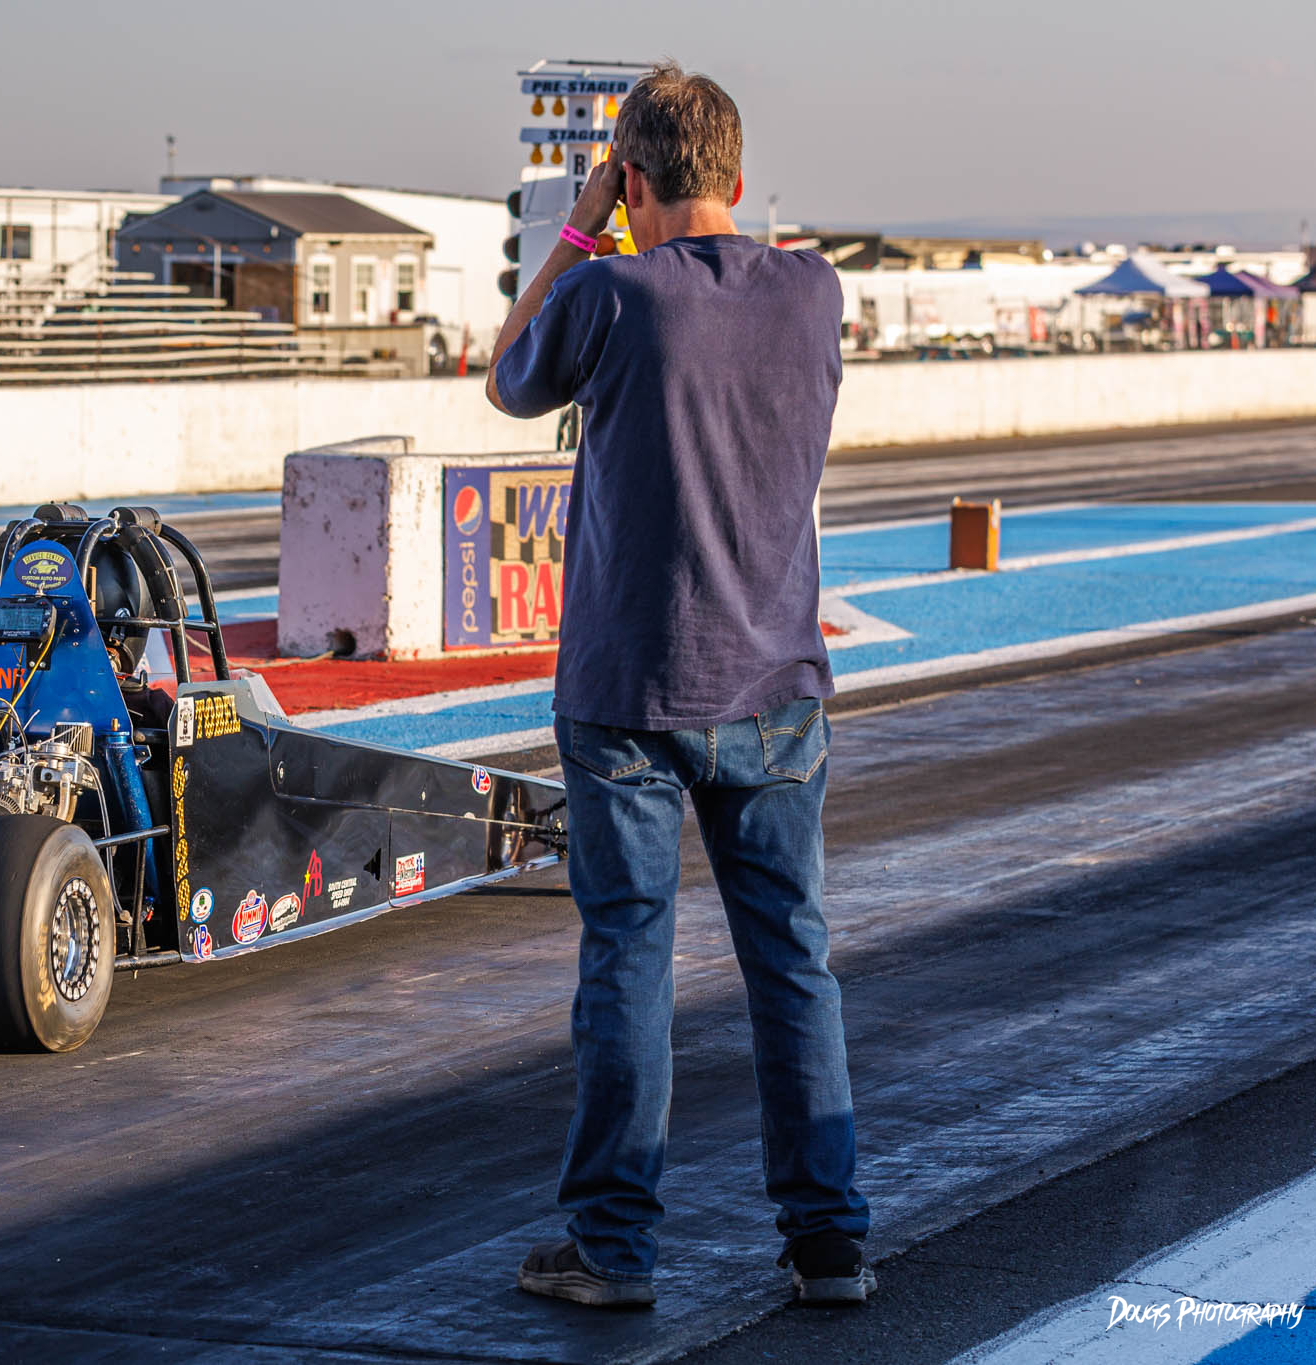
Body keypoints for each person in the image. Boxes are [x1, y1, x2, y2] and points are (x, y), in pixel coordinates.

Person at [487, 61, 872, 1310]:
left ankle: (611, 1249)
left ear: (632, 179)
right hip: (775, 683)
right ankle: (827, 1242)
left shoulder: (608, 292)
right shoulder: (812, 294)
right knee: (791, 963)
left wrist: (581, 224)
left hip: (627, 691)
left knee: (626, 966)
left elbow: (504, 379)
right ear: (740, 179)